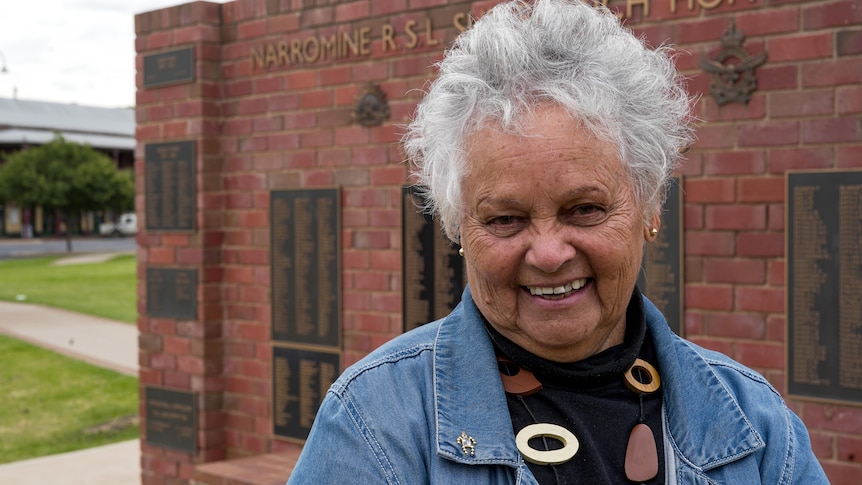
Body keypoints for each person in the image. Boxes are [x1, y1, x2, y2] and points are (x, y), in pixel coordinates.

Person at [287, 0, 828, 483]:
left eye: (585, 209)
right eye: (505, 219)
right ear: (458, 227)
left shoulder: (758, 427)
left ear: (649, 207)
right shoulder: (374, 424)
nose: (548, 254)